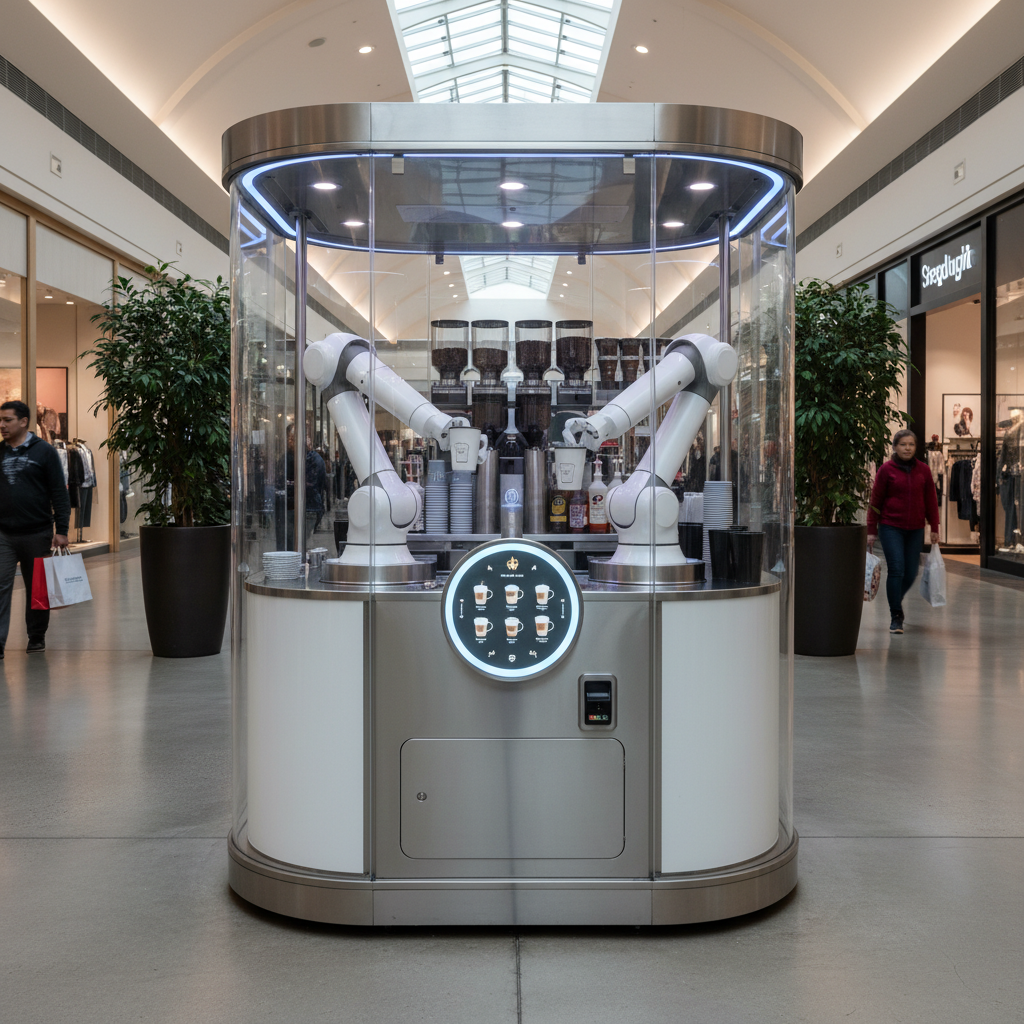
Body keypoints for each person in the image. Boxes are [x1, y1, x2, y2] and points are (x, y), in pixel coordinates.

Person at [0, 400, 71, 657]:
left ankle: (36, 636)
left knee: (37, 588)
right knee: (0, 585)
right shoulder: (0, 452)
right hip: (4, 534)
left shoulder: (45, 452)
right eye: (1, 420)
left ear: (23, 422)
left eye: (8, 420)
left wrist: (61, 530)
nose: (2, 425)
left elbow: (59, 493)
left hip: (37, 532)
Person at [867, 429, 940, 635]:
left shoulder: (924, 470)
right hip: (891, 527)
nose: (907, 448)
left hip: (915, 529)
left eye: (911, 445)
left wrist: (934, 527)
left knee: (911, 573)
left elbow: (931, 502)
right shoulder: (886, 470)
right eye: (903, 444)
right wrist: (872, 529)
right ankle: (896, 616)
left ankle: (896, 597)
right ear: (895, 447)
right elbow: (875, 502)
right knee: (897, 569)